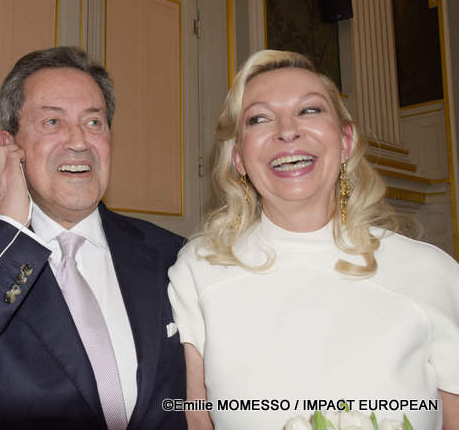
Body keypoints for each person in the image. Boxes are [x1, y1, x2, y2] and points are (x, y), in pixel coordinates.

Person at [168, 49, 459, 430]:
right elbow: (197, 419)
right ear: (239, 158)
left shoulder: (431, 271)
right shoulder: (199, 270)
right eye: (259, 118)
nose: (287, 131)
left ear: (346, 140)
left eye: (309, 110)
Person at [0, 46, 187, 430]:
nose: (79, 141)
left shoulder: (174, 257)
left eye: (94, 122)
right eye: (53, 121)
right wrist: (6, 233)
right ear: (9, 147)